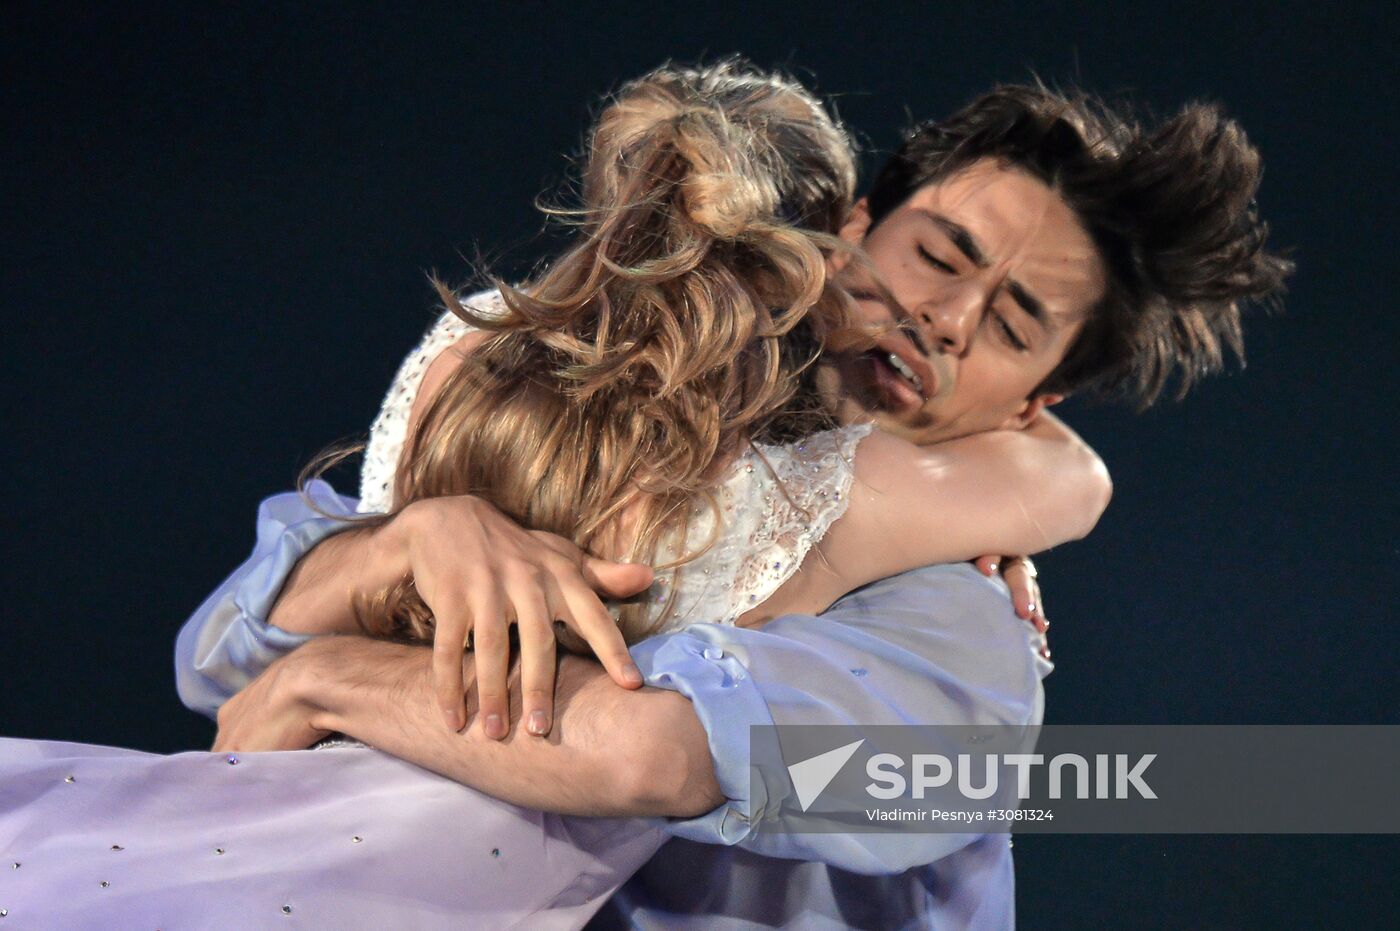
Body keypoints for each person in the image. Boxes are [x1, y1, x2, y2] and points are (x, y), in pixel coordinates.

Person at [1, 67, 1290, 930]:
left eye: (1008, 322)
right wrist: (421, 542)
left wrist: (337, 679)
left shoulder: (965, 654)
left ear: (1032, 408)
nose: (941, 315)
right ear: (849, 225)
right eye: (935, 254)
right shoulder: (625, 426)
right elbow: (227, 654)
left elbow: (660, 750)